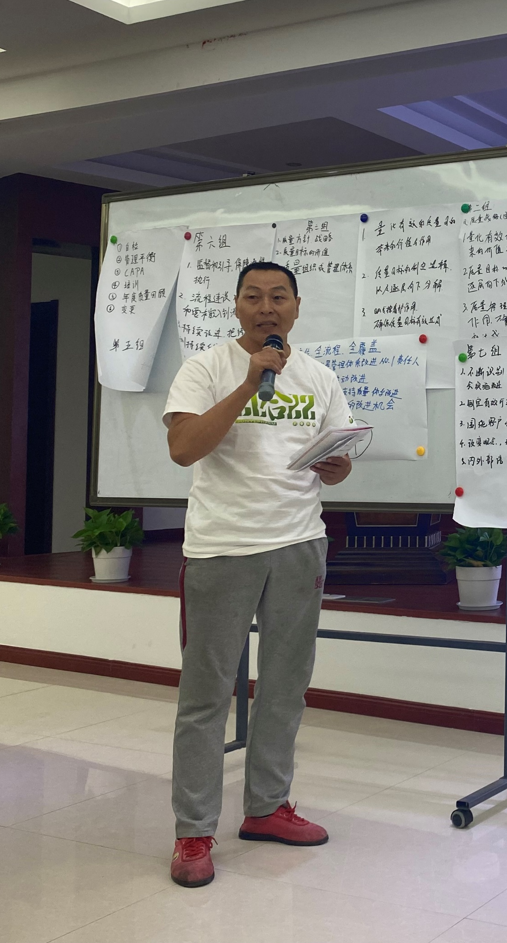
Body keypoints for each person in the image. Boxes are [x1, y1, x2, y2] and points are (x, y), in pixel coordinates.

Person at [161, 260, 354, 888]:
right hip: (223, 547)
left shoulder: (320, 376)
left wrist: (338, 468)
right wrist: (249, 382)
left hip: (299, 545)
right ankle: (194, 831)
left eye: (278, 297)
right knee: (207, 694)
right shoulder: (205, 368)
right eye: (253, 296)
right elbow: (184, 448)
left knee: (285, 686)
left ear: (297, 306)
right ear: (237, 306)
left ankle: (267, 808)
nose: (266, 307)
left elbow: (339, 453)